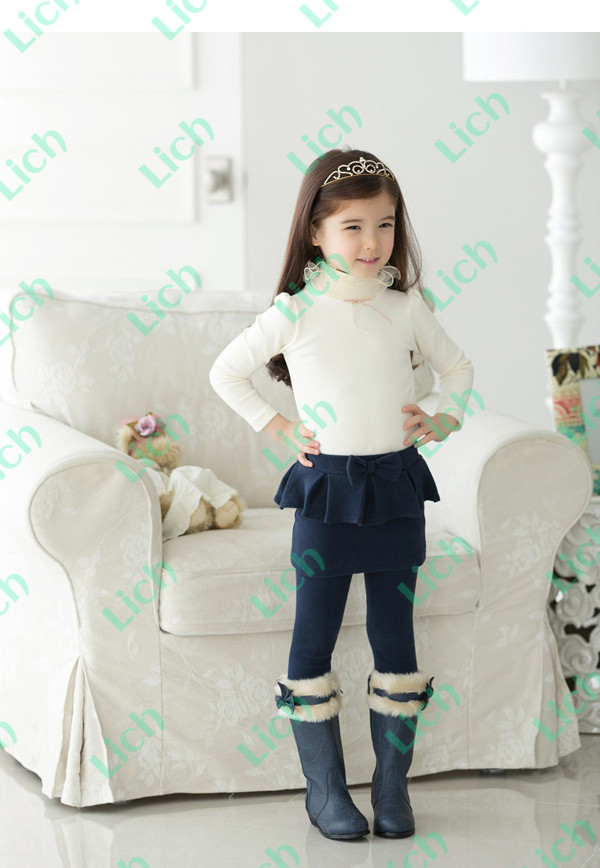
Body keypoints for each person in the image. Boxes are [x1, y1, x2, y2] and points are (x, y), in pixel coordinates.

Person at [208, 146, 475, 842]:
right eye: (352, 226)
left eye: (384, 224)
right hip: (327, 494)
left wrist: (444, 417)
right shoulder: (295, 312)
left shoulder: (405, 306)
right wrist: (277, 426)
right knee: (313, 639)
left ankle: (391, 789)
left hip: (396, 493)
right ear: (316, 232)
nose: (371, 241)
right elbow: (225, 373)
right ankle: (325, 789)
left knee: (395, 639)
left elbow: (458, 369)